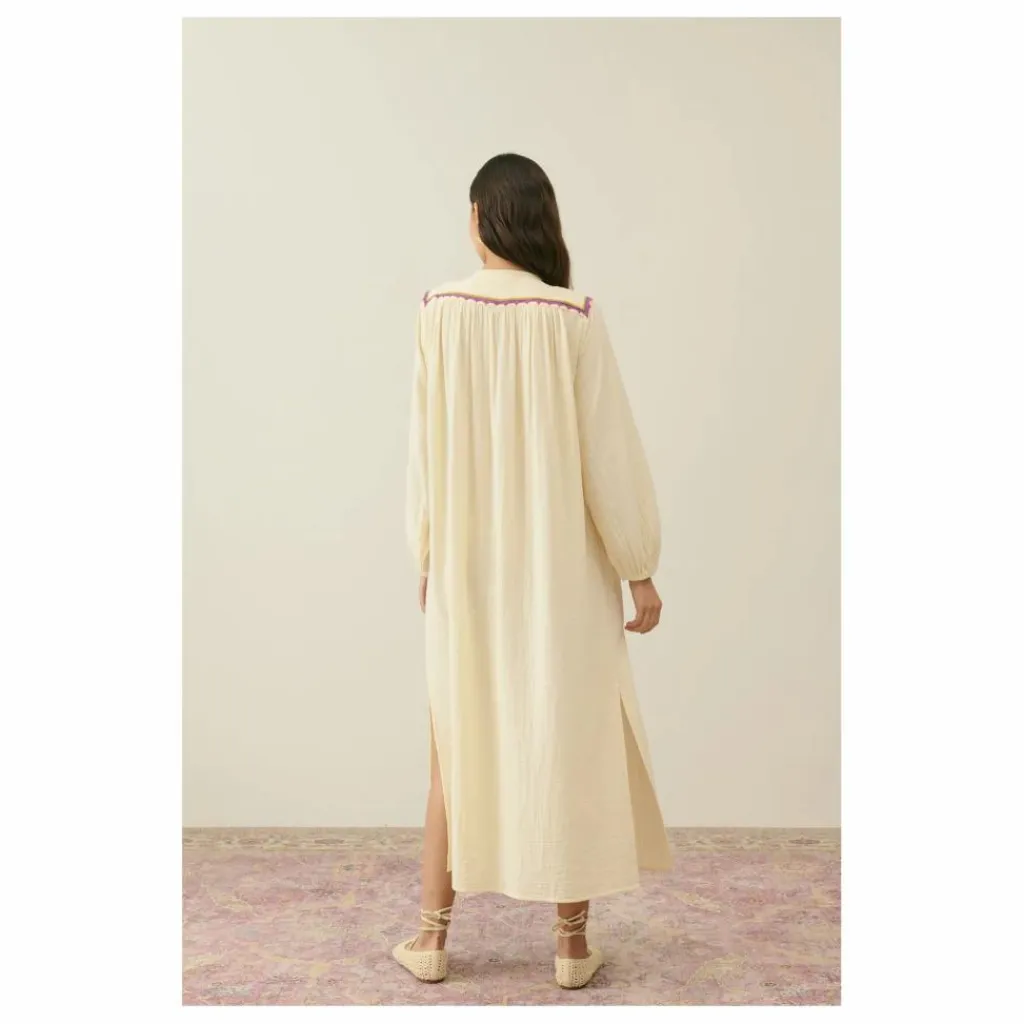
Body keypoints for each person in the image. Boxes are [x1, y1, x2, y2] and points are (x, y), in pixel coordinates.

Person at [394, 153, 672, 990]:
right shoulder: (574, 317)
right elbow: (609, 454)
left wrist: (427, 552)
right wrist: (638, 568)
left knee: (453, 749)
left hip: (467, 574)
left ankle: (432, 941)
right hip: (562, 578)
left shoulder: (437, 312)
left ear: (480, 218)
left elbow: (423, 452)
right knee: (566, 744)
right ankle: (570, 948)